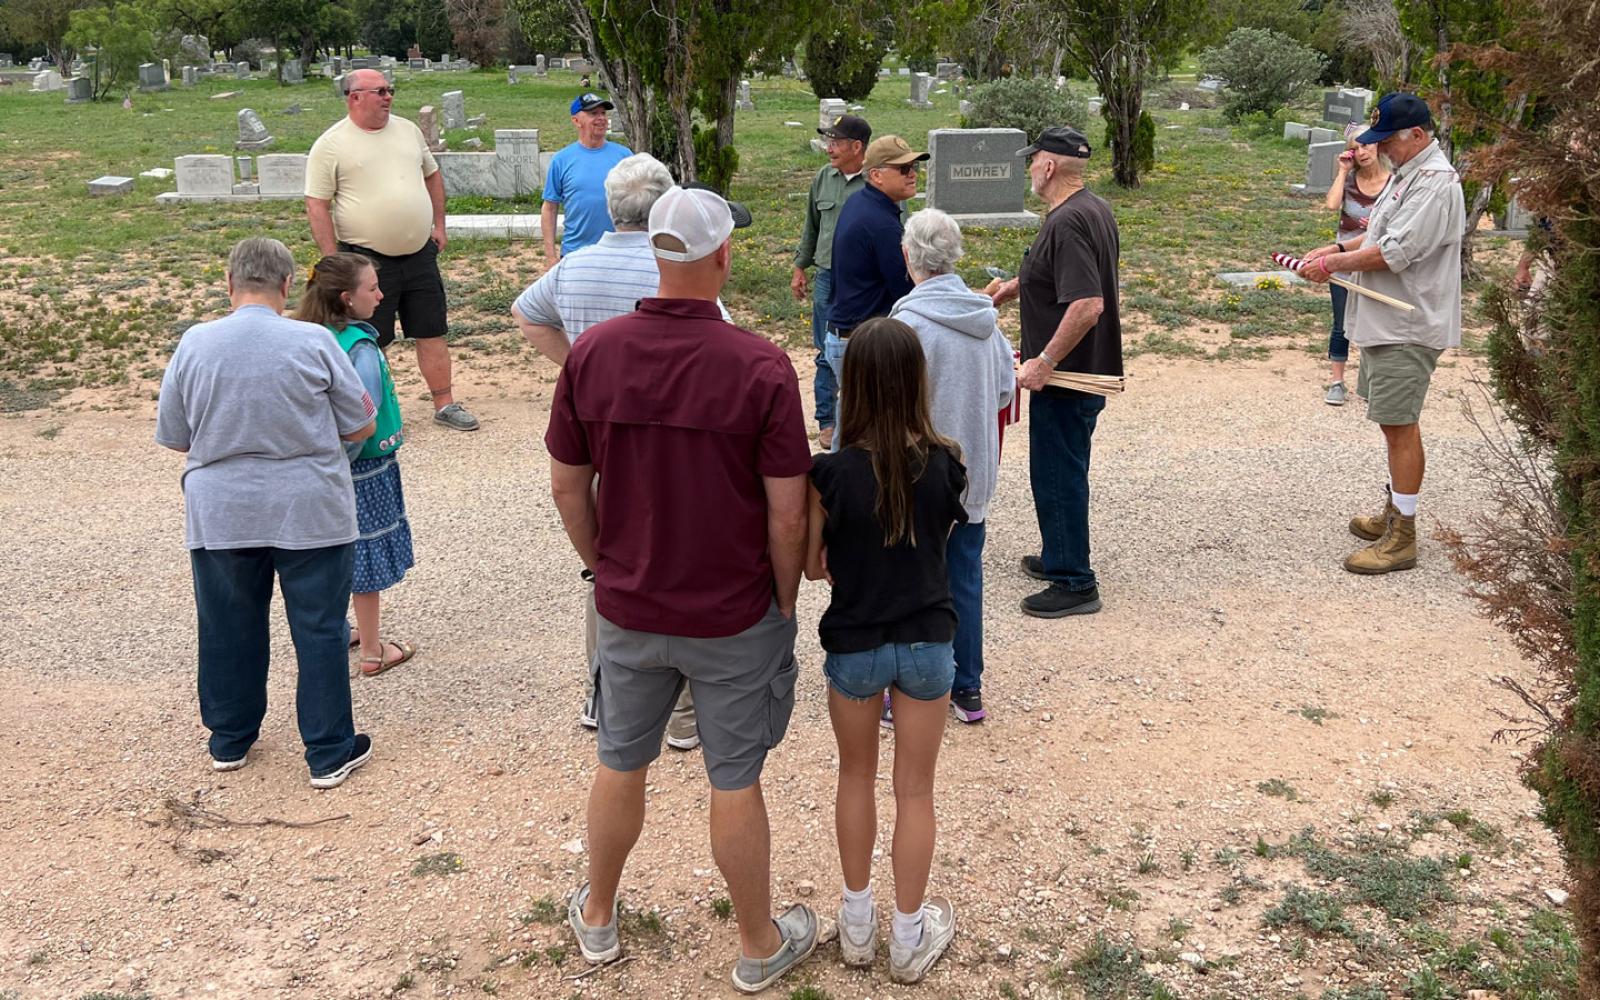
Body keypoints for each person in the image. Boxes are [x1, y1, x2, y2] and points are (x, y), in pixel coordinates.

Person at [546, 187, 816, 992]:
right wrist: (784, 599)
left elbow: (568, 486)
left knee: (619, 761)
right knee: (734, 778)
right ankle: (757, 943)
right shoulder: (761, 365)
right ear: (723, 255)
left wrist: (604, 569)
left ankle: (597, 915)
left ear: (657, 254)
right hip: (733, 612)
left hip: (630, 605)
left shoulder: (594, 354)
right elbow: (788, 509)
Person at [514, 156, 749, 748]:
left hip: (601, 443)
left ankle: (607, 693)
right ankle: (685, 711)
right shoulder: (677, 268)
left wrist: (580, 371)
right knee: (681, 560)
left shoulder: (574, 267)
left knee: (605, 568)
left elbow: (524, 312)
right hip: (673, 444)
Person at [155, 237, 376, 789]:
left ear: (228, 285)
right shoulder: (314, 341)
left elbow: (175, 434)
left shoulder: (195, 343)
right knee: (320, 628)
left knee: (228, 622)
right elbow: (360, 425)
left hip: (222, 509)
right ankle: (328, 750)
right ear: (285, 288)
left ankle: (230, 738)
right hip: (309, 505)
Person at [805, 317, 965, 984]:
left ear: (854, 386)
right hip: (928, 642)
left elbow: (815, 567)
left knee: (854, 778)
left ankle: (858, 925)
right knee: (916, 792)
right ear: (916, 382)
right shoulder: (948, 463)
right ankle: (907, 935)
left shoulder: (831, 474)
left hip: (856, 644)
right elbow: (943, 549)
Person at [1296, 92, 1466, 574]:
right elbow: (1376, 235)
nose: (1382, 148)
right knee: (1392, 424)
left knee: (1399, 424)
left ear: (1417, 135)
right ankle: (1396, 510)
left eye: (1387, 139)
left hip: (1408, 323)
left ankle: (1403, 536)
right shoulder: (1409, 174)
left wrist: (1333, 264)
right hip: (1383, 321)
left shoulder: (1435, 183)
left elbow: (1396, 253)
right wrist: (1334, 246)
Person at [987, 126, 1122, 618]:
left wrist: (1045, 361)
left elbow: (1087, 303)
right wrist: (1014, 287)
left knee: (1057, 471)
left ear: (1047, 167)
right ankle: (1058, 553)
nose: (1029, 170)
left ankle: (1074, 580)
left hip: (1068, 375)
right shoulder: (1092, 208)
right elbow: (1062, 273)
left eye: (1032, 162)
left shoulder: (1066, 221)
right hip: (1081, 370)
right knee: (1063, 465)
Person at [889, 210, 1015, 724]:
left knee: (908, 579)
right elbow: (1006, 390)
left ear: (907, 257)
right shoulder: (986, 323)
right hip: (973, 474)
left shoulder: (906, 326)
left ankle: (906, 689)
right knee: (964, 577)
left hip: (918, 480)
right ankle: (967, 688)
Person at [306, 69, 479, 432]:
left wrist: (439, 225)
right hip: (365, 260)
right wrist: (333, 258)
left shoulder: (407, 130)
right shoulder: (331, 144)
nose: (388, 97)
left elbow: (431, 175)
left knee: (431, 329)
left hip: (419, 253)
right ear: (354, 97)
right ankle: (374, 412)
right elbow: (317, 203)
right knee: (370, 338)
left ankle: (444, 404)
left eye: (390, 90)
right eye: (380, 91)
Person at [294, 252, 418, 678]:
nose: (381, 295)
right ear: (347, 298)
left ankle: (340, 629)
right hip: (361, 468)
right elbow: (361, 417)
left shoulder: (309, 337)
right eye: (372, 289)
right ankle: (371, 650)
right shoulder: (360, 347)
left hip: (322, 467)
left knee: (333, 551)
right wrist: (338, 465)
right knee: (364, 553)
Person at [825, 134, 927, 439]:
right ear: (876, 175)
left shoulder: (862, 202)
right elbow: (906, 291)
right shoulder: (880, 223)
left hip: (847, 334)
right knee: (860, 435)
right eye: (903, 169)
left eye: (913, 167)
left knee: (856, 428)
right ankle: (840, 485)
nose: (912, 175)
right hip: (860, 341)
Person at [792, 113, 872, 450]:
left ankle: (864, 419)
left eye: (836, 142)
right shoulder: (823, 178)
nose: (829, 148)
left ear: (857, 147)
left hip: (865, 281)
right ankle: (827, 421)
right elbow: (812, 226)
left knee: (866, 349)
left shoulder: (877, 181)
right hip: (827, 276)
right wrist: (800, 267)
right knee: (826, 350)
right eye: (828, 141)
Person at [1321, 122, 1390, 405]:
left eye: (1367, 145)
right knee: (1341, 322)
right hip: (1344, 262)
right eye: (1356, 147)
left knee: (1376, 323)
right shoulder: (1349, 180)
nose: (1362, 152)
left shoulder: (1392, 182)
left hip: (1375, 262)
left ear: (1378, 145)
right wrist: (1342, 171)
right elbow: (1331, 205)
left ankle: (1373, 381)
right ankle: (1337, 381)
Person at [541, 92, 633, 264]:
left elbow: (638, 203)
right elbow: (549, 208)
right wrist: (551, 257)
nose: (601, 118)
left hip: (619, 254)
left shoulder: (624, 156)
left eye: (603, 113)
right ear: (576, 121)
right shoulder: (561, 160)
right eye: (593, 114)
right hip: (576, 254)